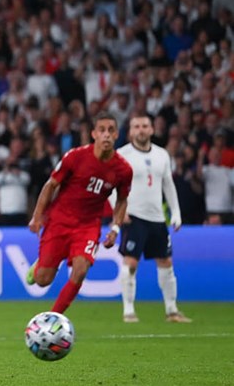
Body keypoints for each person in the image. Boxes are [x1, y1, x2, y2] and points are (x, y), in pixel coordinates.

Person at [26, 112, 133, 315]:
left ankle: (54, 317)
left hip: (88, 226)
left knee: (81, 269)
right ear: (94, 134)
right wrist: (37, 215)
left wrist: (115, 227)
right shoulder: (75, 157)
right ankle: (40, 265)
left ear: (117, 134)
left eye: (111, 130)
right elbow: (51, 185)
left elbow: (121, 199)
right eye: (102, 130)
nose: (106, 135)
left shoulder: (123, 170)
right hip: (59, 220)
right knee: (42, 280)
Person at [114, 115, 191, 323]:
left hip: (157, 217)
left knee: (166, 261)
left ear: (151, 130)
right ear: (130, 132)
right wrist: (120, 210)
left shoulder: (162, 155)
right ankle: (128, 311)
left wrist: (175, 212)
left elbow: (168, 184)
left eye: (145, 126)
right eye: (136, 126)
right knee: (130, 262)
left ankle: (172, 310)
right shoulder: (121, 155)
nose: (141, 130)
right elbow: (111, 186)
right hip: (134, 216)